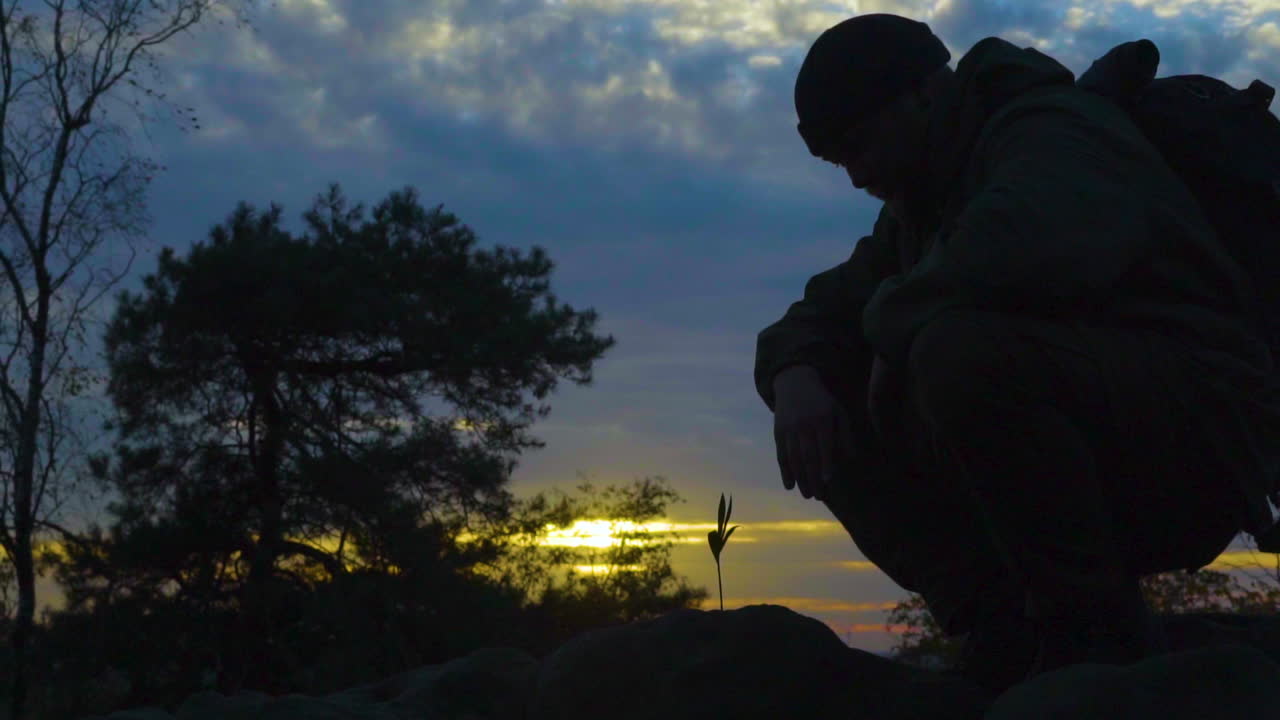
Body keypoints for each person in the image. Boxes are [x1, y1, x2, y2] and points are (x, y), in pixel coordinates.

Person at [755, 14, 1280, 699]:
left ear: (922, 95)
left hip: (1200, 434)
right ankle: (1000, 623)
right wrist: (795, 373)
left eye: (859, 146)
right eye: (838, 161)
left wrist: (889, 328)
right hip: (1110, 429)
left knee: (954, 351)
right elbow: (826, 309)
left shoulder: (1052, 130)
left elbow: (1019, 245)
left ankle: (1093, 626)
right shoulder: (922, 201)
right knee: (832, 388)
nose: (856, 177)